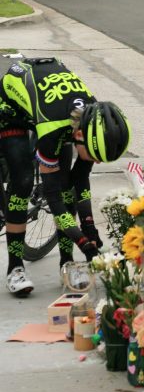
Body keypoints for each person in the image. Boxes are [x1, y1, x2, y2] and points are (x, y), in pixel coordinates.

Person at [0, 56, 131, 296]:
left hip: (56, 111)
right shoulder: (54, 130)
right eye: (95, 155)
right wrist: (84, 243)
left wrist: (89, 226)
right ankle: (15, 268)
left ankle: (67, 262)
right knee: (23, 180)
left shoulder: (93, 117)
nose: (97, 161)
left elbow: (80, 180)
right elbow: (55, 201)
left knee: (65, 184)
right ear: (79, 135)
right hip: (10, 109)